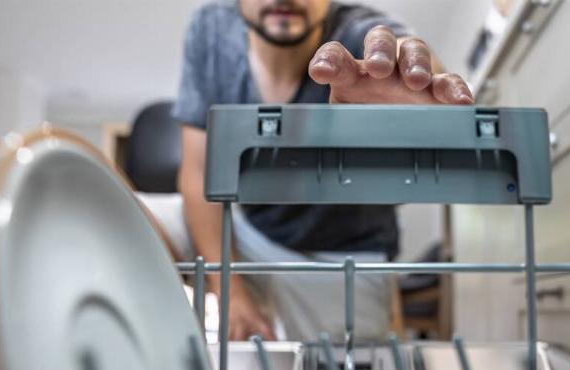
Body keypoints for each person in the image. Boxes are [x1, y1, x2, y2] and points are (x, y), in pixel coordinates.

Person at [173, 0, 473, 342]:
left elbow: (403, 52)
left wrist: (421, 85)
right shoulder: (210, 32)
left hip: (343, 257)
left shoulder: (359, 32)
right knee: (128, 213)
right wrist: (231, 294)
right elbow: (198, 175)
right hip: (248, 237)